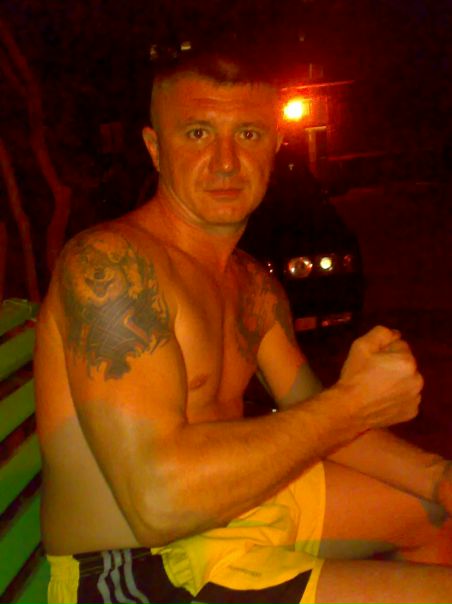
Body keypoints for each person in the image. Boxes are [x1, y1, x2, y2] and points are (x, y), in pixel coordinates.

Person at [34, 41, 452, 604]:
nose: (227, 162)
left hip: (233, 515)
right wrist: (354, 401)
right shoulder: (111, 266)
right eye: (198, 133)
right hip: (138, 568)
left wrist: (439, 476)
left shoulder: (251, 284)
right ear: (155, 148)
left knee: (437, 516)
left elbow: (320, 417)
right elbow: (157, 504)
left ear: (274, 146)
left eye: (248, 134)